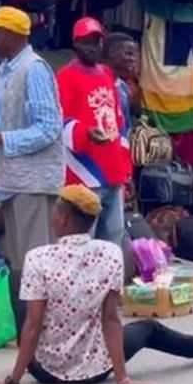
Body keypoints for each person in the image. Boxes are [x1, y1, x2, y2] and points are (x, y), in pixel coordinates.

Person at [0, 186, 193, 384]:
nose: (52, 218)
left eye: (55, 213)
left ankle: (23, 367)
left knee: (17, 278)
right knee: (148, 329)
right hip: (97, 370)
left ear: (63, 220)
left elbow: (33, 325)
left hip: (45, 371)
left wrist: (12, 382)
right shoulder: (111, 252)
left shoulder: (37, 258)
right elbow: (111, 319)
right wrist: (122, 379)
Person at [0, 6, 65, 326]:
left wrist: (1, 140)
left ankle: (47, 331)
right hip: (14, 181)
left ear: (14, 35)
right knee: (24, 264)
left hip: (33, 184)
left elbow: (50, 128)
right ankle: (33, 331)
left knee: (37, 263)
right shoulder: (8, 69)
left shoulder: (34, 70)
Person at [56, 17, 131, 246]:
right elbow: (60, 122)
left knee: (114, 238)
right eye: (86, 42)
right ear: (75, 44)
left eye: (97, 42)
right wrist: (86, 133)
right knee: (83, 241)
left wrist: (126, 170)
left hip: (113, 170)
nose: (93, 47)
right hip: (84, 170)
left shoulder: (107, 75)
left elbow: (120, 124)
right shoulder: (65, 77)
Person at [103, 32, 142, 120]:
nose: (133, 59)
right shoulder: (97, 87)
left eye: (134, 55)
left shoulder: (123, 86)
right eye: (129, 53)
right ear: (111, 53)